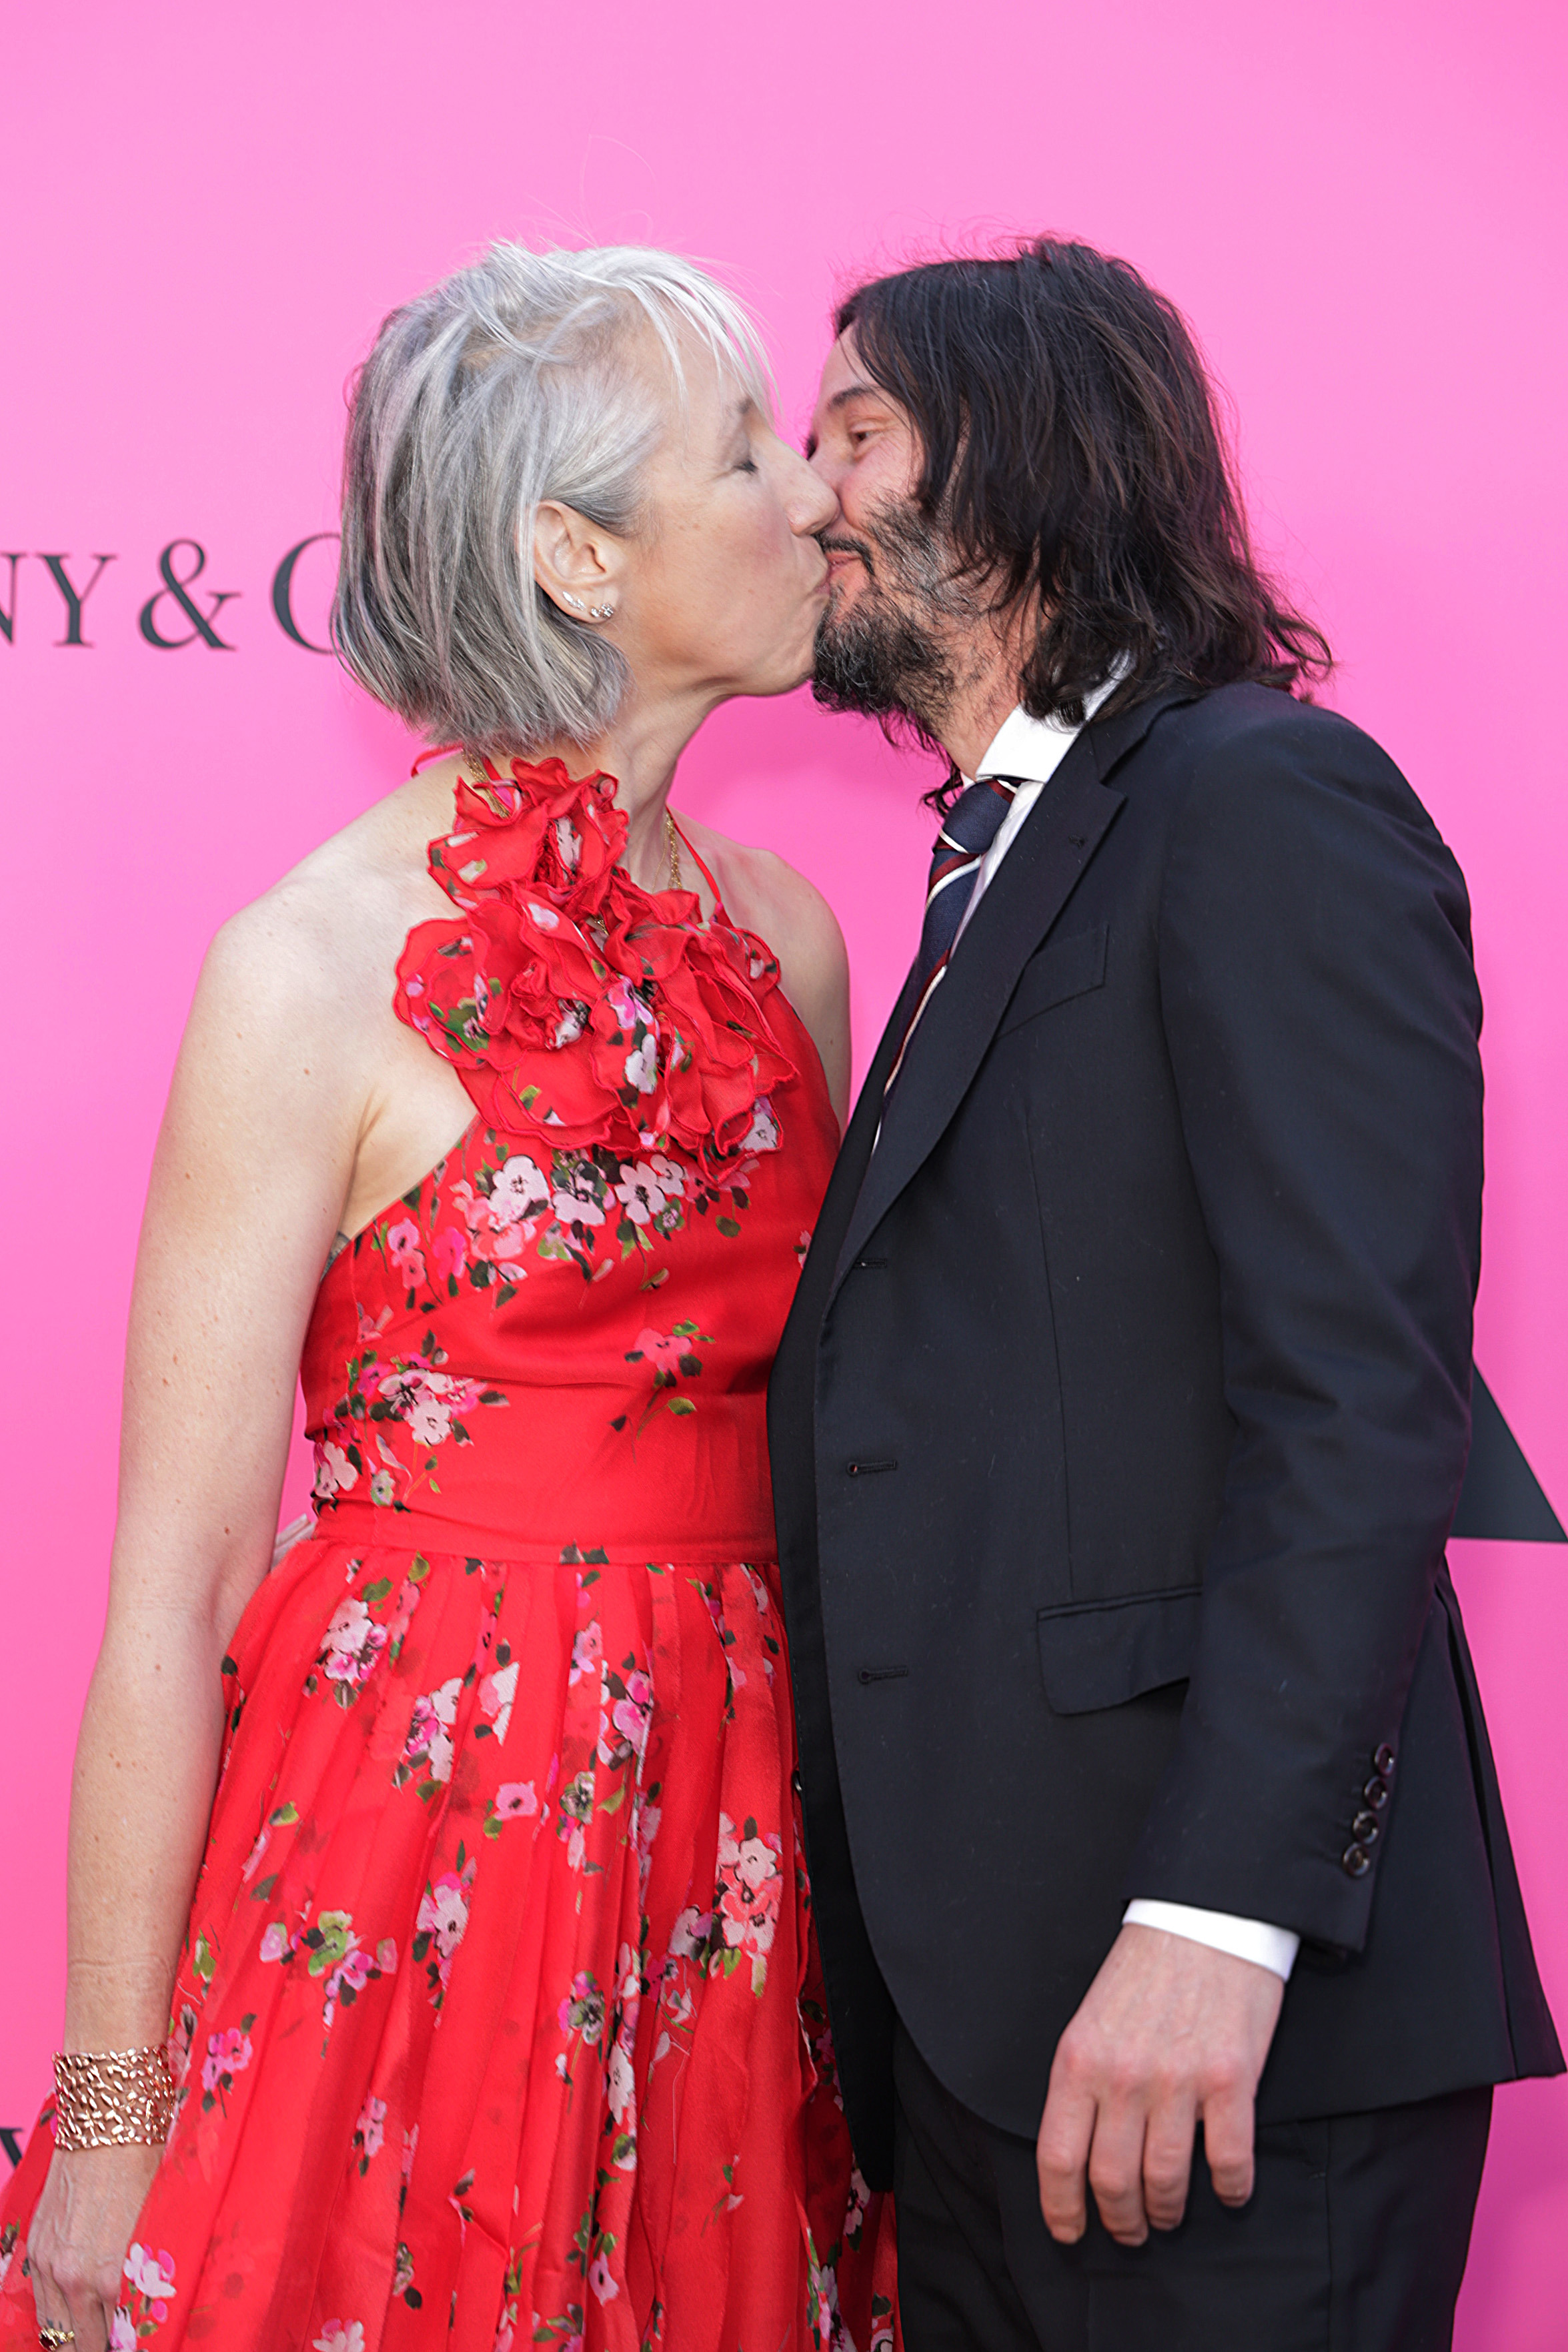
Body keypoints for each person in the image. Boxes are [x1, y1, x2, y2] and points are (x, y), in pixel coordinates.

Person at [0, 242, 898, 2352]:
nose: (812, 499)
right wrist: (108, 2102)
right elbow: (180, 1578)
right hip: (422, 1849)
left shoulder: (801, 941)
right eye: (745, 456)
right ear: (578, 556)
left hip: (754, 1836)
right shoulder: (308, 968)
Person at [768, 237, 1563, 2350]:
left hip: (1214, 2024)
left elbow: (1359, 1401)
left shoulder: (1258, 800)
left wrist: (1222, 1918)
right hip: (982, 2034)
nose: (802, 490)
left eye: (852, 430)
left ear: (1016, 467)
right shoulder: (980, 874)